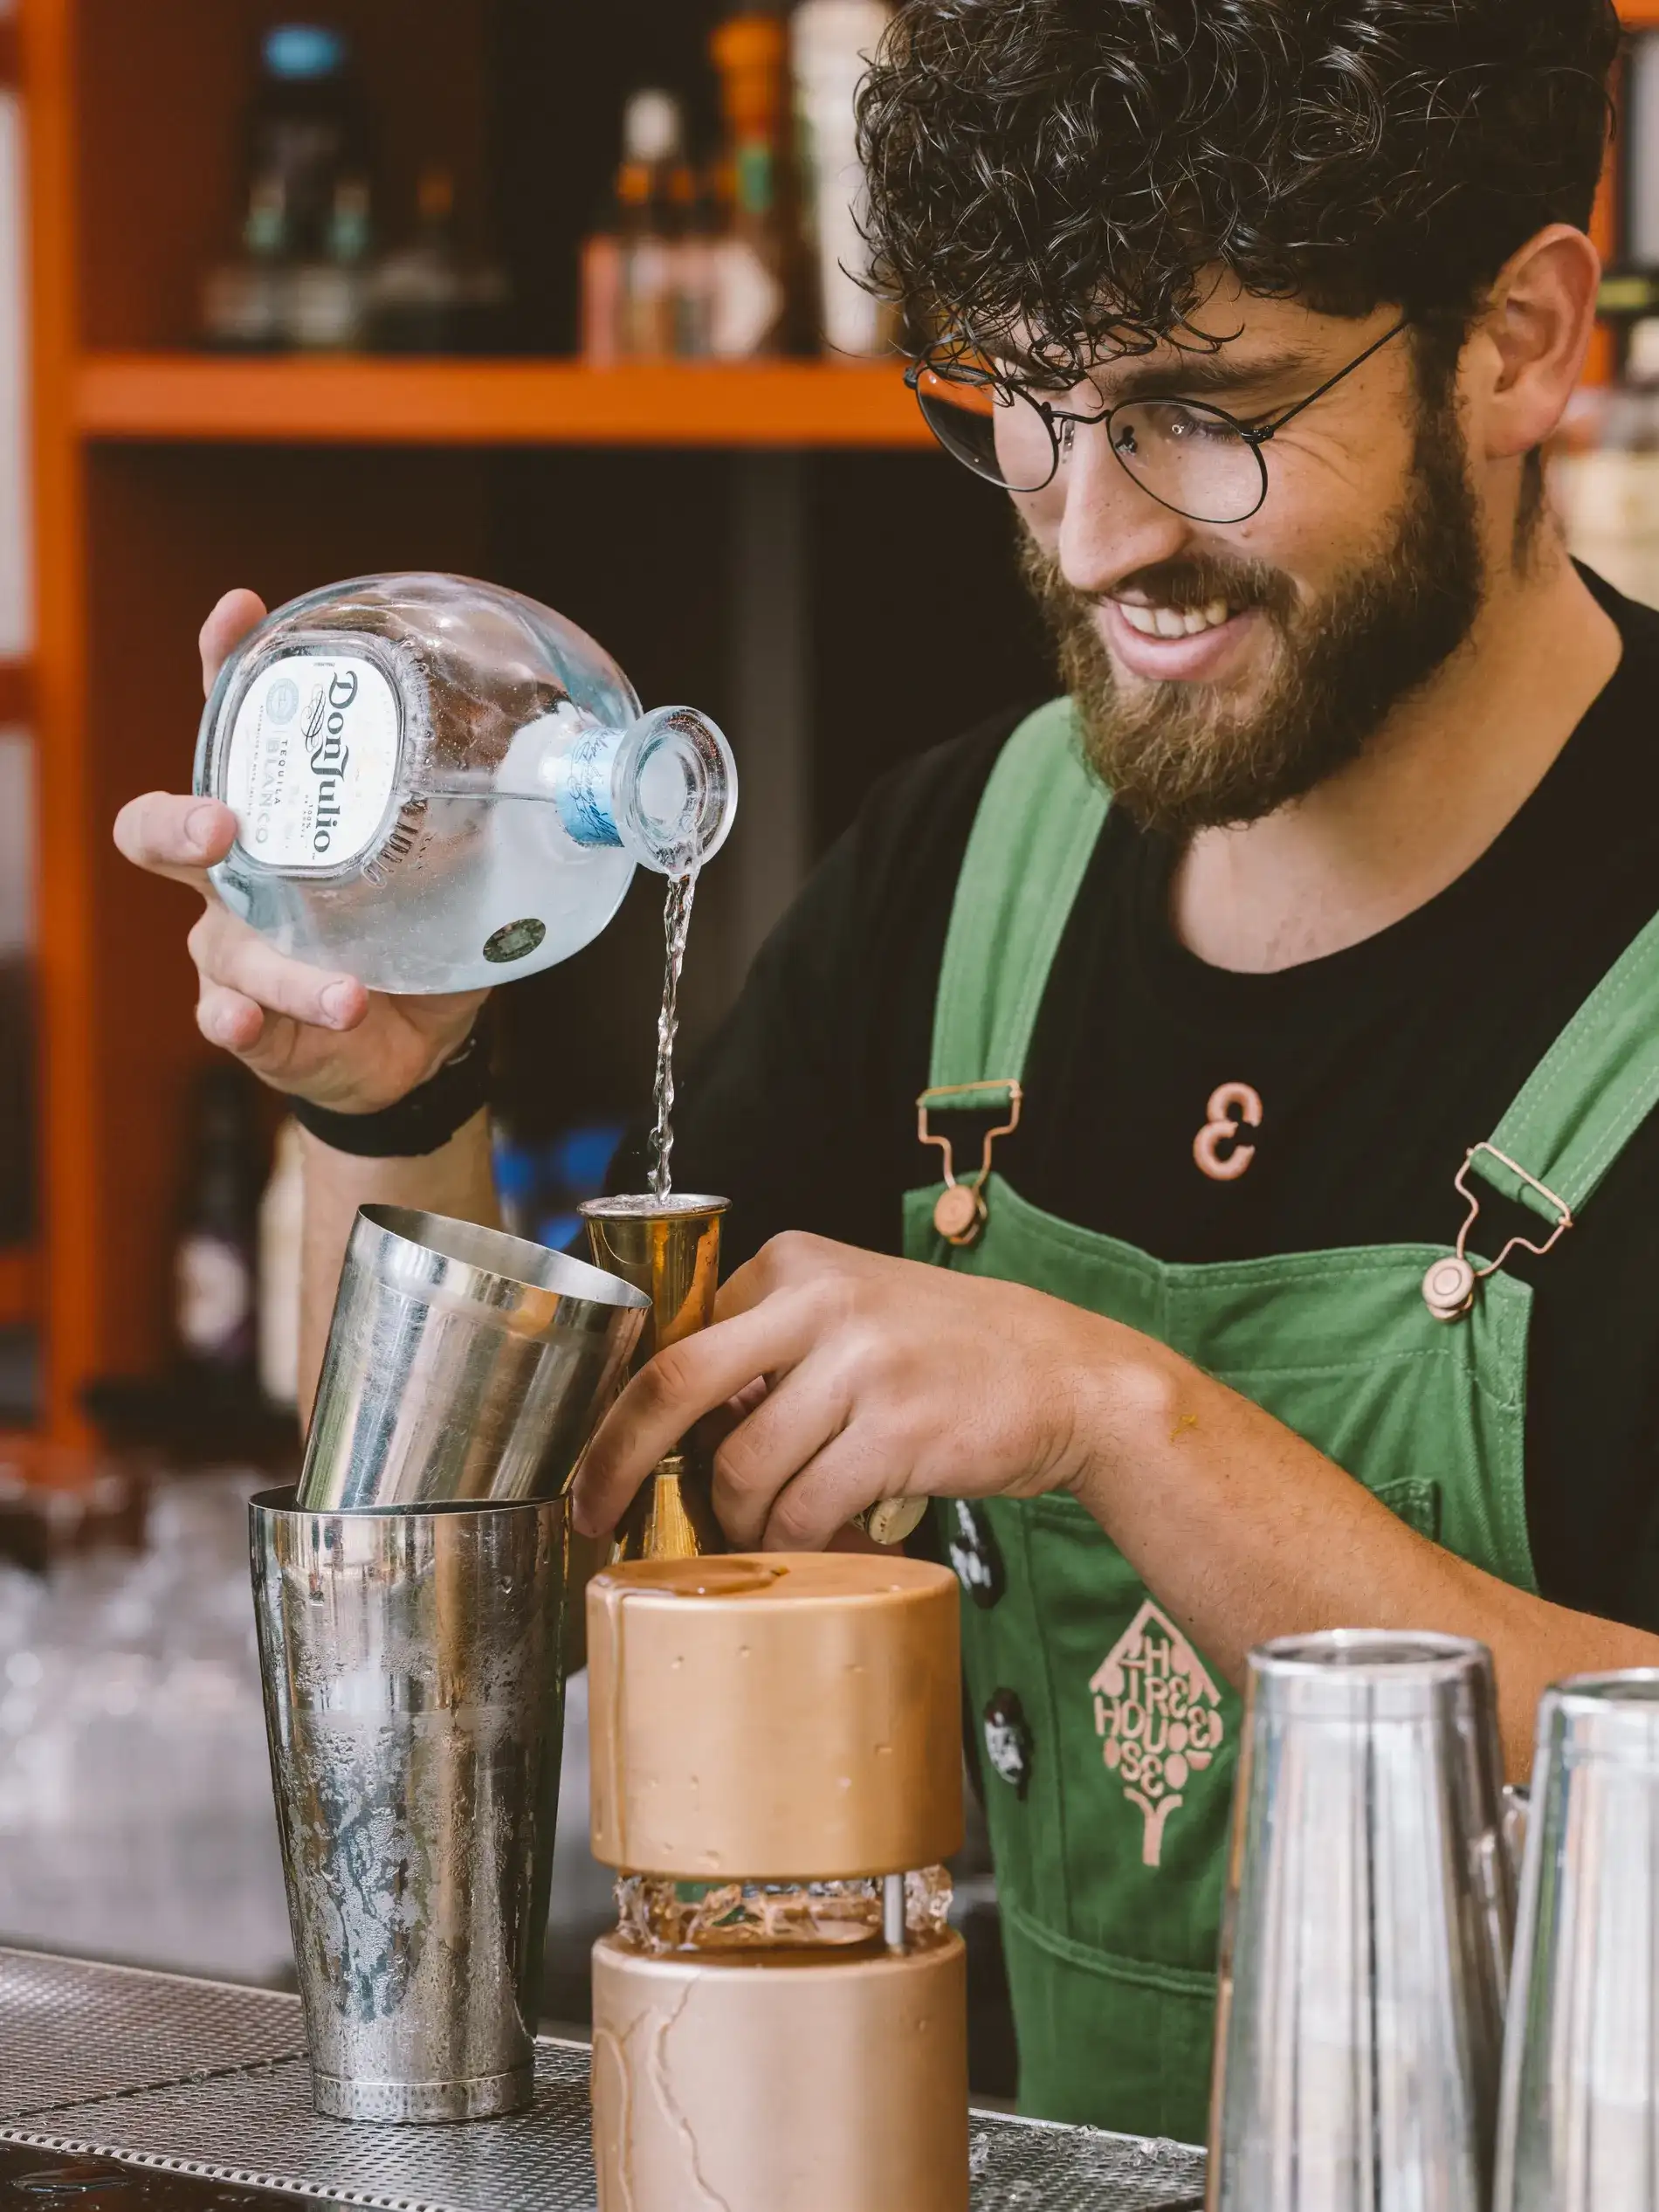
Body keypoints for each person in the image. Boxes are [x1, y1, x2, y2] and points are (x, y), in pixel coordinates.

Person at [117, 0, 1654, 2144]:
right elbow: (500, 1601)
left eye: (1196, 413)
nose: (1094, 539)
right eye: (1022, 410)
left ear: (1514, 339)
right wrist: (383, 1103)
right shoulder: (963, 866)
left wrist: (1128, 1421)